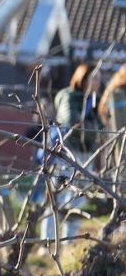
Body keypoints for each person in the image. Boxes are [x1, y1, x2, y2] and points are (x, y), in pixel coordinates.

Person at [42, 63, 103, 242]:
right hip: (67, 154)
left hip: (86, 155)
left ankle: (68, 241)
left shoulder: (95, 99)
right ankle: (47, 241)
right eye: (94, 77)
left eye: (99, 78)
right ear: (82, 77)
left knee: (77, 198)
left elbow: (101, 126)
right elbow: (71, 123)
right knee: (57, 196)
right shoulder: (68, 96)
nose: (98, 82)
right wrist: (92, 128)